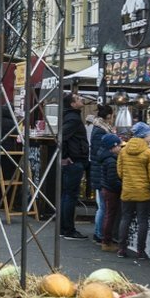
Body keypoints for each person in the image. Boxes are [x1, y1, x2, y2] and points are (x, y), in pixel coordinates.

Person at [117, 122, 150, 259]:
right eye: (149, 135)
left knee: (125, 219)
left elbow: (120, 172)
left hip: (127, 191)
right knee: (142, 221)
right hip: (143, 192)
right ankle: (141, 251)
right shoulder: (149, 153)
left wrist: (128, 182)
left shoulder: (123, 150)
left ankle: (121, 249)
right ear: (144, 136)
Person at [59, 92, 90, 240]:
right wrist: (67, 157)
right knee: (70, 195)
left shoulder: (70, 116)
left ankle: (64, 228)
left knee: (66, 195)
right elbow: (61, 137)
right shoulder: (73, 118)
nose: (81, 99)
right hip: (74, 161)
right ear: (72, 104)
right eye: (77, 99)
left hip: (73, 160)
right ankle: (68, 229)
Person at [86, 104, 114, 243]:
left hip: (98, 170)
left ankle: (99, 233)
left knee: (102, 205)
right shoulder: (101, 131)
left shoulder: (99, 128)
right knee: (103, 206)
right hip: (100, 171)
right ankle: (99, 234)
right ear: (109, 115)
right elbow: (100, 152)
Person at [96, 133, 123, 252]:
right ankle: (106, 241)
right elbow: (112, 179)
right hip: (111, 191)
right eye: (119, 146)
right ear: (113, 146)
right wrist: (122, 187)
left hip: (106, 189)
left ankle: (104, 238)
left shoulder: (106, 158)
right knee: (110, 215)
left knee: (107, 213)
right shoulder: (111, 161)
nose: (121, 148)